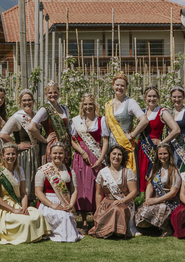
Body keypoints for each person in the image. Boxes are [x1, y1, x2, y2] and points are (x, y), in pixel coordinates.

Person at [0, 142, 50, 244]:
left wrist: (24, 208)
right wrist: (13, 210)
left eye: (13, 154)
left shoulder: (19, 169)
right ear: (2, 155)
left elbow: (23, 193)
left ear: (16, 155)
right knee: (26, 222)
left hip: (17, 204)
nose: (11, 156)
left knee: (38, 215)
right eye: (8, 154)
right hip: (3, 207)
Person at [131, 85, 180, 193]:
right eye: (149, 96)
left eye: (154, 96)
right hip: (141, 147)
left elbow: (176, 129)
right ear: (145, 97)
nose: (152, 99)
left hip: (154, 149)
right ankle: (143, 198)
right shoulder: (141, 112)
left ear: (158, 97)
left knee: (152, 174)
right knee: (141, 173)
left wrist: (162, 142)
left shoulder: (162, 112)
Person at [70, 93, 108, 230]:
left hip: (96, 155)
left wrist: (101, 158)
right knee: (80, 185)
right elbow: (73, 140)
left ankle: (97, 216)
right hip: (81, 157)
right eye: (85, 104)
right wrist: (82, 152)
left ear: (94, 105)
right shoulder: (76, 120)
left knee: (95, 185)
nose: (88, 107)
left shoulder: (101, 120)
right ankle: (84, 220)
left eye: (90, 104)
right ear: (82, 106)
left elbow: (105, 140)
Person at [33, 141, 82, 242]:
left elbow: (74, 190)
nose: (57, 156)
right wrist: (52, 205)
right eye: (55, 153)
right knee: (63, 216)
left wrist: (71, 204)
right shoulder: (43, 171)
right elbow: (38, 192)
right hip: (48, 203)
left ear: (65, 154)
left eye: (60, 153)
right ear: (50, 154)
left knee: (67, 215)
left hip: (65, 201)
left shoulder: (70, 171)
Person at [89, 145, 139, 239]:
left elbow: (133, 191)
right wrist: (97, 209)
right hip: (106, 203)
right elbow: (99, 194)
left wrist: (122, 200)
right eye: (114, 154)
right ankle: (109, 231)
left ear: (123, 157)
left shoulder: (128, 172)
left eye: (120, 155)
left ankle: (115, 231)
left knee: (116, 209)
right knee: (108, 210)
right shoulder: (102, 173)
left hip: (124, 203)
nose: (116, 157)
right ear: (109, 156)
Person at [0, 90, 40, 200]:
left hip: (37, 152)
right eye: (24, 100)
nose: (27, 103)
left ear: (33, 101)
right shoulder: (17, 117)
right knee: (26, 180)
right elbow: (3, 134)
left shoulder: (36, 115)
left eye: (29, 100)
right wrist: (16, 146)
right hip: (26, 154)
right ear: (20, 103)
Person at [104, 73, 146, 177]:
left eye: (122, 86)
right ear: (113, 85)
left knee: (125, 176)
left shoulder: (131, 102)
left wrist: (132, 135)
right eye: (117, 85)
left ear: (126, 87)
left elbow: (144, 120)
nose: (119, 88)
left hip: (125, 146)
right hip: (110, 146)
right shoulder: (108, 104)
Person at [134, 142, 181, 236]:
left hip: (169, 202)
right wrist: (147, 199)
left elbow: (173, 193)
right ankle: (156, 228)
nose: (162, 156)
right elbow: (150, 185)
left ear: (170, 155)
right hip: (155, 199)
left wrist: (156, 200)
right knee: (142, 213)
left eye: (165, 153)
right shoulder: (155, 169)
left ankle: (166, 228)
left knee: (158, 209)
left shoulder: (174, 170)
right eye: (160, 154)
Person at [27, 82, 71, 164]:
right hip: (52, 145)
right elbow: (31, 127)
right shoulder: (45, 109)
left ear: (59, 93)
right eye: (50, 93)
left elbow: (67, 128)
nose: (53, 95)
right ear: (46, 94)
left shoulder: (65, 109)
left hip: (64, 145)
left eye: (55, 92)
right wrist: (44, 140)